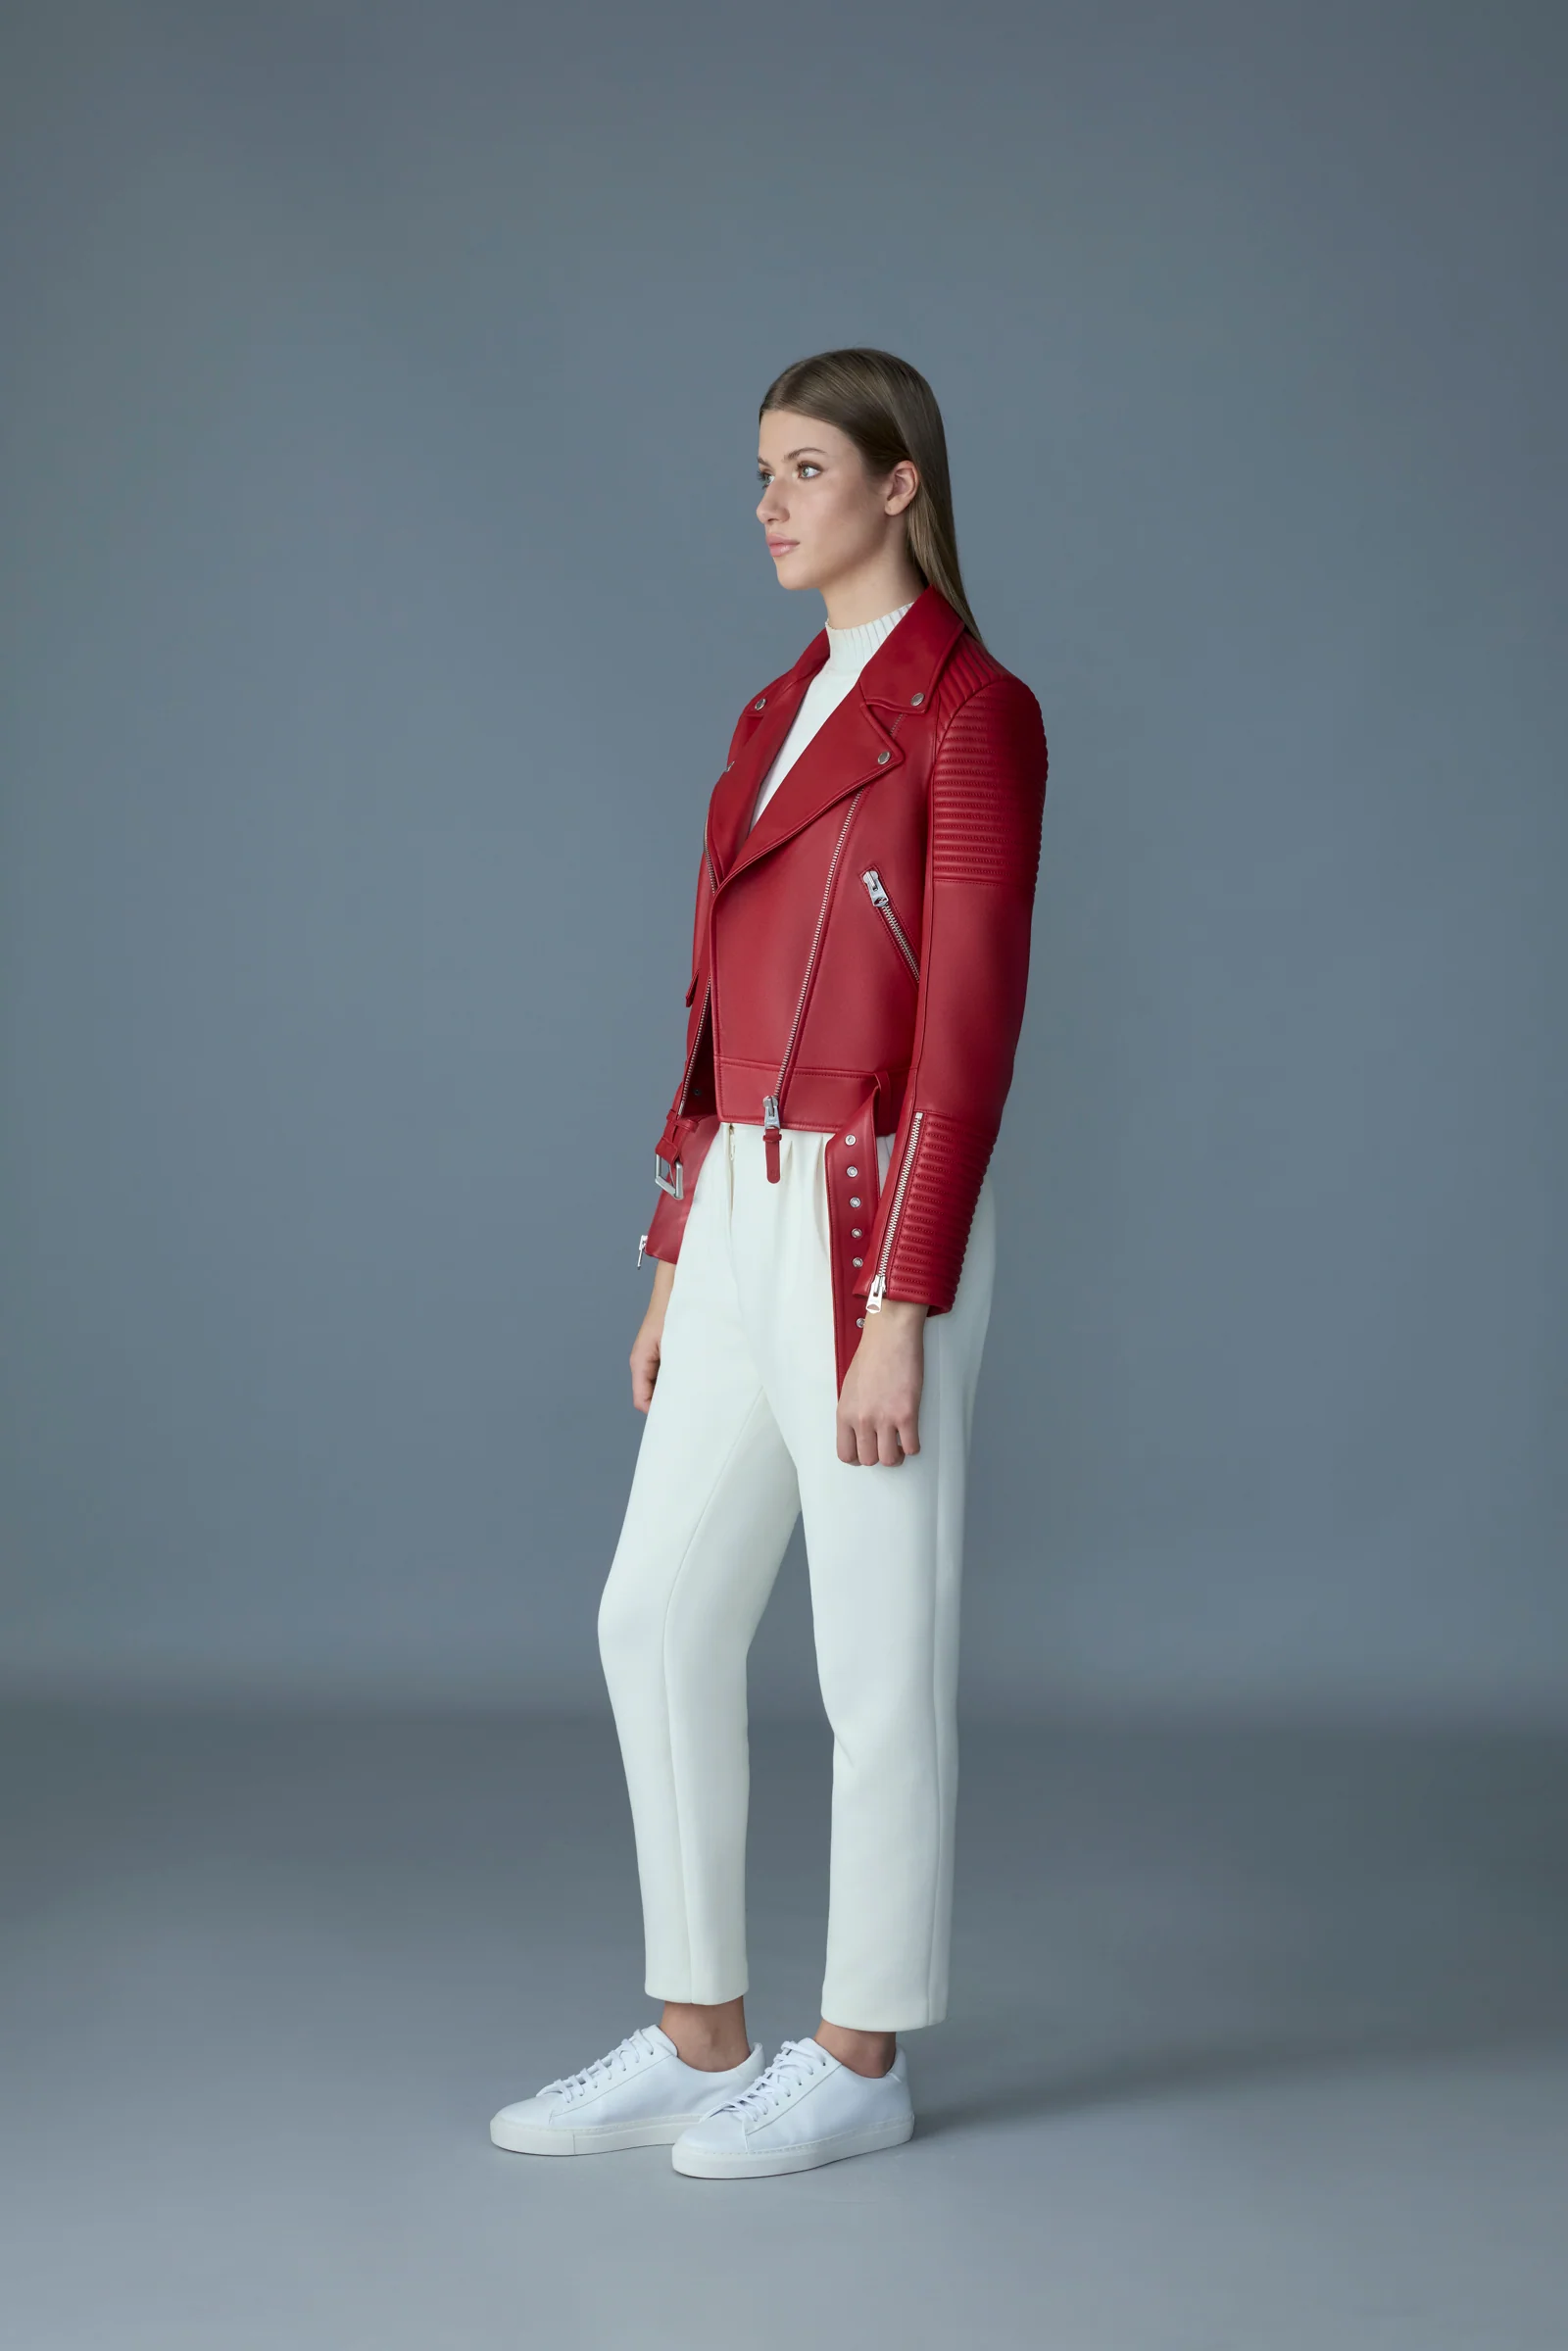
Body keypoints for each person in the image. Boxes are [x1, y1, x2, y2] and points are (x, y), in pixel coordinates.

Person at [490, 347, 1049, 2179]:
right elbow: (713, 1013)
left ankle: (862, 2051)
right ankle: (698, 2029)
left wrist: (903, 1305)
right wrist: (674, 1256)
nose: (771, 504)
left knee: (875, 1651)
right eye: (760, 472)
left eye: (808, 468)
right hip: (740, 1197)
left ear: (900, 483)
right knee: (653, 1613)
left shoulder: (974, 713)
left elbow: (966, 1040)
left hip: (874, 1213)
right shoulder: (770, 711)